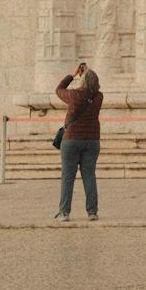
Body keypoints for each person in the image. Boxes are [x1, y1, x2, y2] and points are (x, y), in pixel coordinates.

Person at [53, 61, 104, 220]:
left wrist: (73, 74)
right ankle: (92, 212)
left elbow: (59, 89)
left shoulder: (74, 96)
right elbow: (92, 86)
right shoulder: (98, 97)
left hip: (72, 140)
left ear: (82, 80)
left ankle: (64, 212)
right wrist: (89, 73)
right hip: (92, 141)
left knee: (68, 177)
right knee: (89, 176)